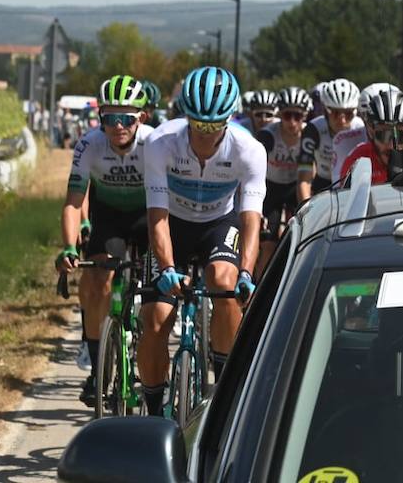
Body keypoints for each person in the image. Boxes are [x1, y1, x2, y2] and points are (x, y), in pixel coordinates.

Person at [138, 66, 265, 416]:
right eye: (198, 124)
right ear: (185, 116)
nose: (205, 134)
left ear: (229, 119)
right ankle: (153, 411)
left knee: (224, 281)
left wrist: (247, 274)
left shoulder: (248, 149)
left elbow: (250, 220)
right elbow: (157, 217)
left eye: (214, 126)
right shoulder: (160, 143)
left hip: (218, 222)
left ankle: (225, 383)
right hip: (173, 224)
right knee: (156, 318)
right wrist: (166, 268)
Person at [55, 75, 152, 406]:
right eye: (110, 118)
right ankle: (97, 371)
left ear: (141, 117)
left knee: (158, 289)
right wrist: (69, 246)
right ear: (101, 120)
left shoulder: (155, 143)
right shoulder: (89, 144)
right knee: (97, 282)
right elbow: (72, 201)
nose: (118, 126)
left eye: (127, 118)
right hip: (108, 215)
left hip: (148, 215)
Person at [254, 86, 311, 277]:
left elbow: (312, 171)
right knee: (268, 244)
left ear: (305, 116)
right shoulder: (267, 135)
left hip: (295, 185)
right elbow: (254, 170)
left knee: (301, 241)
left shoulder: (308, 135)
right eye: (287, 116)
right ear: (280, 114)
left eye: (298, 116)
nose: (293, 122)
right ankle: (256, 293)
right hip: (271, 187)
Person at [339, 89, 403, 184]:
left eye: (401, 136)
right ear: (371, 132)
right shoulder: (356, 160)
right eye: (384, 135)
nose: (392, 146)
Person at [297, 78, 362, 203]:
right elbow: (304, 179)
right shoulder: (313, 129)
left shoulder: (361, 128)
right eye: (335, 113)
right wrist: (306, 211)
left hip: (354, 184)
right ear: (325, 110)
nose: (342, 120)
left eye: (348, 114)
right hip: (323, 185)